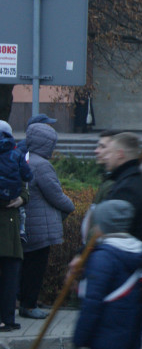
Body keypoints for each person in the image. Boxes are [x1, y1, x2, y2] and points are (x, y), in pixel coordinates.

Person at [73, 200, 142, 349]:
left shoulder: (104, 257)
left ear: (104, 225)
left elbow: (92, 302)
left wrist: (80, 337)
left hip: (104, 335)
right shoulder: (130, 250)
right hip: (119, 331)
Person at [19, 122, 74, 320]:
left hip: (27, 225)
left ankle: (24, 301)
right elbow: (55, 195)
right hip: (40, 228)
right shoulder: (42, 165)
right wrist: (71, 206)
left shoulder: (25, 159)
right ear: (45, 144)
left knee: (25, 266)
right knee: (35, 268)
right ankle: (29, 304)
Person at [0, 119, 29, 332]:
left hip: (9, 222)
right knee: (10, 275)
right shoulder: (16, 155)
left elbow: (24, 188)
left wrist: (22, 198)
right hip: (10, 223)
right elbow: (25, 183)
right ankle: (7, 320)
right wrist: (21, 199)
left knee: (10, 275)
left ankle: (6, 319)